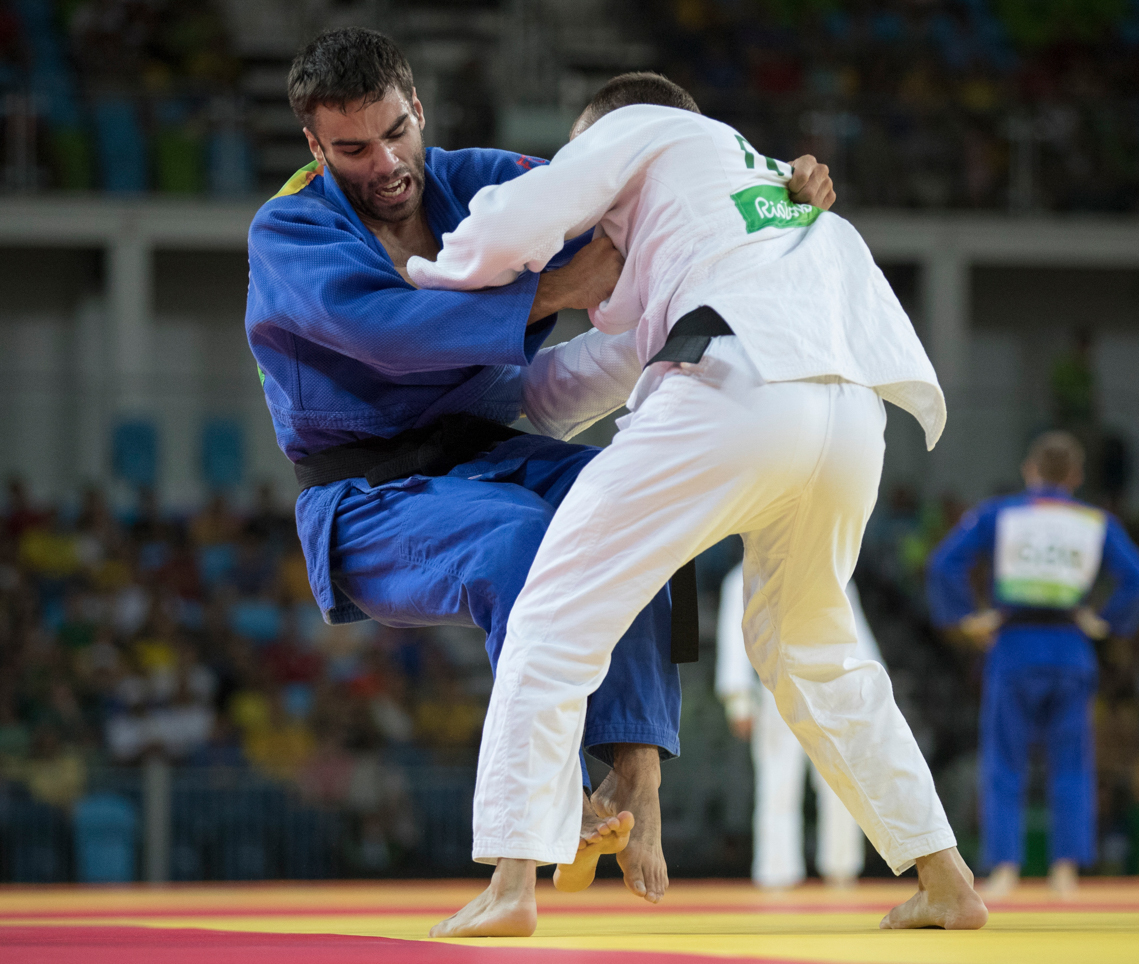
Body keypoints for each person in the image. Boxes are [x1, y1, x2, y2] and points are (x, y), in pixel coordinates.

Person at [244, 29, 838, 903]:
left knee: (638, 506)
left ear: (421, 107)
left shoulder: (477, 179)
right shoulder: (291, 228)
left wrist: (768, 188)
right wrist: (560, 287)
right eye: (353, 148)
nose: (386, 161)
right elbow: (385, 329)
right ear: (314, 147)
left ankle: (637, 779)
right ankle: (540, 810)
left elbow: (633, 184)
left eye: (397, 130)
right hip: (367, 497)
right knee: (524, 543)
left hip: (488, 454)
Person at [410, 72, 986, 937]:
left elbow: (515, 218)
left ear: (615, 132)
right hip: (848, 412)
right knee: (812, 647)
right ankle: (946, 876)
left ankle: (511, 880)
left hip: (736, 383)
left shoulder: (649, 128)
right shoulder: (748, 201)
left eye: (588, 152)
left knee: (557, 609)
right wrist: (467, 395)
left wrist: (429, 277)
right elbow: (574, 386)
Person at [926, 431, 1139, 899]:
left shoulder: (1001, 513)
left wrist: (965, 619)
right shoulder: (1095, 521)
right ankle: (1065, 872)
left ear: (1029, 471)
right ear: (1076, 477)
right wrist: (1105, 621)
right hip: (1072, 649)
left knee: (1004, 763)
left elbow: (942, 564)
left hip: (1013, 648)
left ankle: (1005, 871)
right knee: (1072, 764)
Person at [716, 563, 879, 889]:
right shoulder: (743, 577)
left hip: (833, 689)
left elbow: (854, 632)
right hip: (777, 688)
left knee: (840, 782)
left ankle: (842, 867)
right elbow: (735, 641)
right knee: (777, 781)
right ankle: (776, 870)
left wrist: (869, 689)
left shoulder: (833, 567)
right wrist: (739, 698)